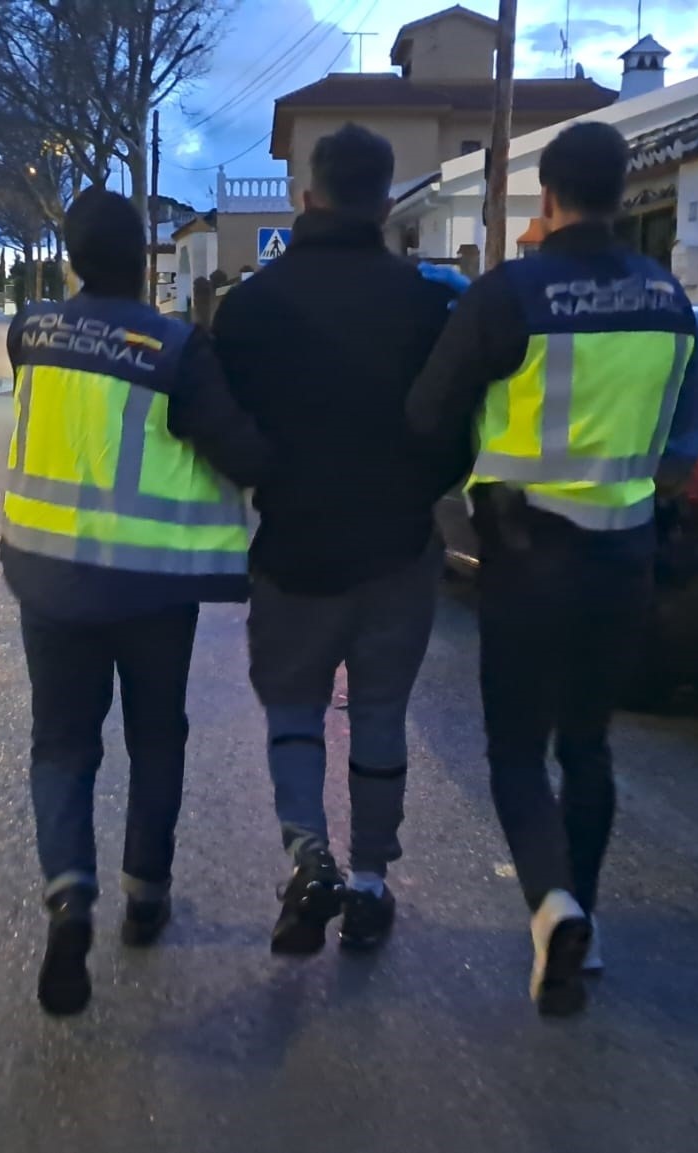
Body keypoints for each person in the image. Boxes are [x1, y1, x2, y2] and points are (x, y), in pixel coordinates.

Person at [405, 122, 698, 1015]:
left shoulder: (510, 294)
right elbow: (681, 427)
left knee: (515, 749)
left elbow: (429, 414)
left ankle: (552, 905)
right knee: (587, 743)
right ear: (623, 191)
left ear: (550, 196)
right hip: (626, 553)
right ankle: (585, 924)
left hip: (529, 552)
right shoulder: (668, 298)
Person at [1, 188, 270, 1016]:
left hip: (49, 577)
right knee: (156, 735)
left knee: (61, 743)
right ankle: (146, 895)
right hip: (151, 587)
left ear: (72, 259)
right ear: (146, 262)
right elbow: (241, 451)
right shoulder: (175, 349)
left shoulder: (29, 332)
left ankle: (68, 894)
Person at [211, 123, 472, 956]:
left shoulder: (249, 307)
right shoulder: (431, 307)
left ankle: (307, 852)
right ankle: (369, 882)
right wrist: (417, 492)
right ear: (386, 202)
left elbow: (221, 422)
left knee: (293, 706)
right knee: (381, 711)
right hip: (397, 547)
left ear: (306, 196)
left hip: (294, 546)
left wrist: (269, 477)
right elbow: (456, 432)